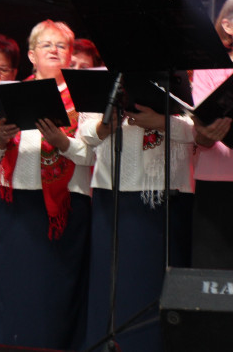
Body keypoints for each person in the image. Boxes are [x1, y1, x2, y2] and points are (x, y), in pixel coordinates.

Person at [0, 20, 98, 349]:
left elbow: (91, 157)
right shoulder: (11, 92)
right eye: (46, 45)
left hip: (64, 206)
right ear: (32, 55)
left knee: (55, 291)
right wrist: (1, 138)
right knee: (15, 287)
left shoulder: (81, 96)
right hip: (16, 203)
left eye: (62, 46)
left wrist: (63, 142)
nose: (54, 51)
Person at [80, 98, 195, 352]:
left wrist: (161, 122)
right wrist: (102, 127)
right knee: (110, 288)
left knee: (151, 287)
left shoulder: (178, 78)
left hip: (165, 194)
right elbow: (85, 131)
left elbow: (199, 130)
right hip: (111, 191)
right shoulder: (112, 77)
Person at [191, 0, 233, 269]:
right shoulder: (211, 67)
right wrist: (206, 133)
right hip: (216, 182)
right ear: (228, 25)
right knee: (213, 275)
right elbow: (200, 124)